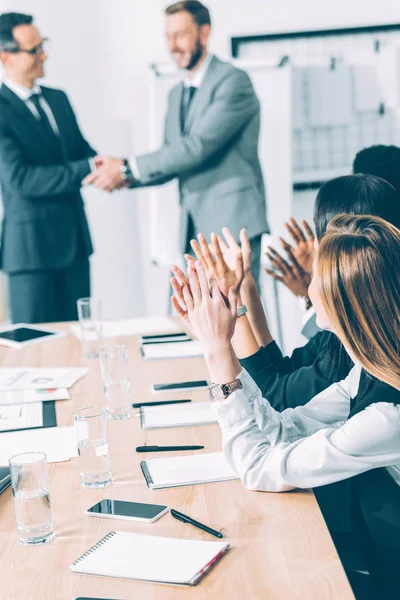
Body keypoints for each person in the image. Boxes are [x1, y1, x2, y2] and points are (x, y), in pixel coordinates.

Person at [175, 215, 400, 598]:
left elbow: (260, 469)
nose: (306, 287)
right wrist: (221, 345)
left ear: (342, 301)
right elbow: (280, 428)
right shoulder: (365, 372)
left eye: (315, 278)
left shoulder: (387, 417)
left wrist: (216, 354)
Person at [171, 174, 400, 411]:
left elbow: (272, 397)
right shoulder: (363, 327)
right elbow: (279, 373)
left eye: (320, 235)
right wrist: (246, 283)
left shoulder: (357, 346)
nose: (315, 246)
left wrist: (233, 303)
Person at [84, 0, 268, 285]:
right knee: (205, 323)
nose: (172, 45)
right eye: (168, 36)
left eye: (180, 34)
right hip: (196, 230)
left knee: (240, 321)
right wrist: (122, 175)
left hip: (233, 226)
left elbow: (197, 147)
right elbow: (171, 158)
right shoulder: (174, 95)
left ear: (204, 33)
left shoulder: (234, 82)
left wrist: (126, 167)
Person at [0, 12, 96, 323]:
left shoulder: (59, 99)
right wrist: (88, 167)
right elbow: (21, 180)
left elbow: (83, 153)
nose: (44, 54)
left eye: (43, 45)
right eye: (34, 50)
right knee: (37, 353)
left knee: (82, 343)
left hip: (75, 246)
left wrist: (116, 169)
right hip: (30, 255)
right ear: (6, 57)